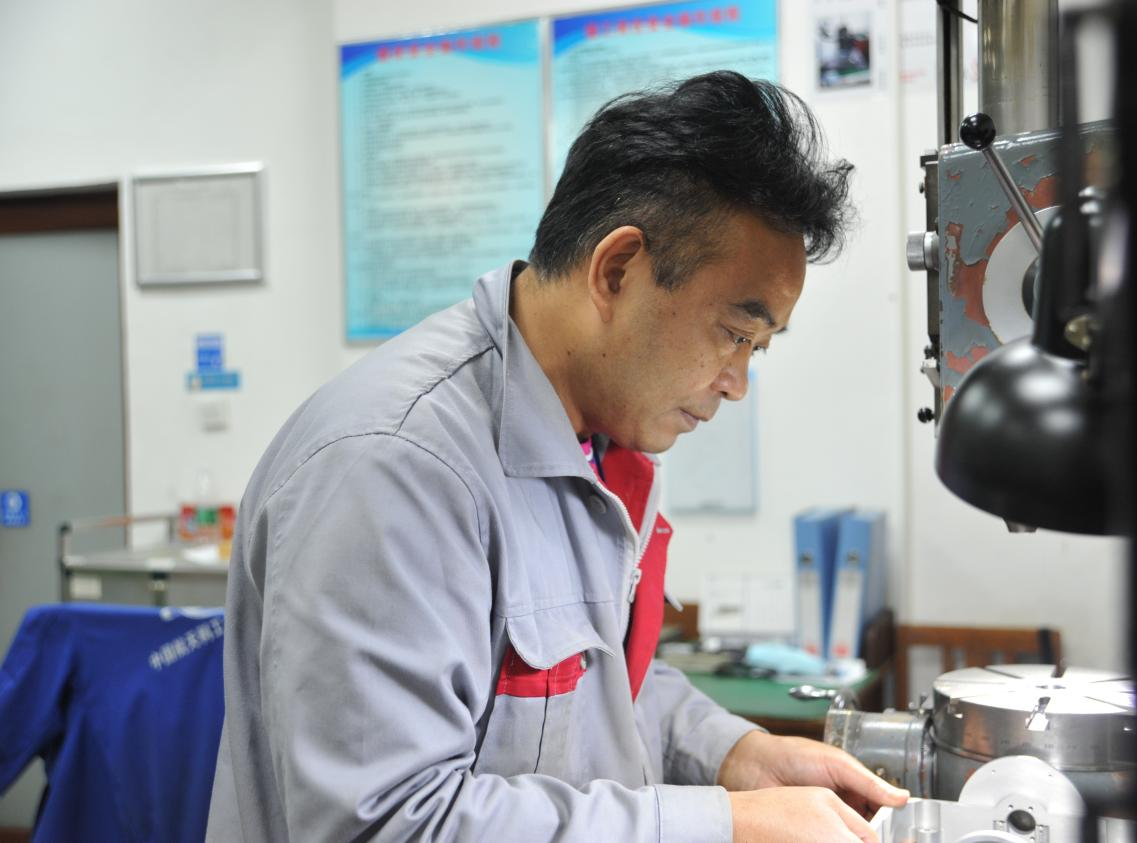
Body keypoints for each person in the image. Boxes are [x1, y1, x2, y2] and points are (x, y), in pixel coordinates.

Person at [207, 70, 907, 843]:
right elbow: (383, 824)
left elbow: (586, 688)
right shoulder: (394, 465)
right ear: (617, 270)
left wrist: (732, 753)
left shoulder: (593, 442)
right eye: (734, 334)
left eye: (757, 348)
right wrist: (723, 824)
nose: (736, 382)